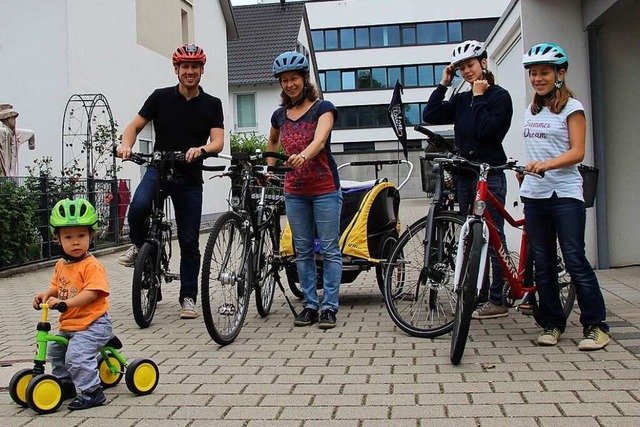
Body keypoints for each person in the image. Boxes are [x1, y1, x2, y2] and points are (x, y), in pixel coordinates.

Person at [116, 43, 224, 319]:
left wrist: (201, 150)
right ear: (176, 69)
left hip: (189, 177)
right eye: (185, 66)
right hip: (159, 169)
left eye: (195, 67)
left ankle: (188, 297)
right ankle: (141, 246)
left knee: (189, 240)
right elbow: (134, 127)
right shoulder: (160, 98)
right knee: (138, 208)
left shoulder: (212, 104)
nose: (190, 71)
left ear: (201, 70)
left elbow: (218, 141)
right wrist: (126, 146)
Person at [520, 43, 609, 350]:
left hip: (565, 194)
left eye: (544, 72)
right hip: (534, 194)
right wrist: (527, 169)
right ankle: (552, 323)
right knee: (542, 262)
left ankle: (596, 326)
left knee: (574, 258)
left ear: (560, 73)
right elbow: (536, 149)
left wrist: (547, 164)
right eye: (533, 73)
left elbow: (577, 151)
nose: (537, 78)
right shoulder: (531, 109)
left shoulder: (573, 107)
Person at [423, 40, 513, 319]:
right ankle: (479, 294)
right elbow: (431, 115)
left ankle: (497, 299)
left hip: (491, 174)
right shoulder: (461, 98)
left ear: (483, 63)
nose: (466, 72)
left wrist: (478, 97)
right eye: (461, 68)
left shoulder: (499, 96)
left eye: (470, 65)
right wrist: (444, 84)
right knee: (472, 237)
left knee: (494, 237)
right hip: (465, 176)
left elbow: (487, 131)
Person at [266, 51, 342, 329]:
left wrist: (303, 155)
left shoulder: (324, 108)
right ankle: (310, 304)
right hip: (294, 191)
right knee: (303, 249)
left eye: (294, 78)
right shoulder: (279, 115)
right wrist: (269, 167)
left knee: (331, 248)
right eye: (284, 80)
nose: (289, 84)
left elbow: (320, 140)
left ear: (304, 79)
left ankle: (329, 306)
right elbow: (272, 142)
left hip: (324, 188)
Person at [32, 198, 112, 410]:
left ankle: (92, 391)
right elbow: (56, 287)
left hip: (94, 324)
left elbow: (93, 293)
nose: (75, 242)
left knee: (76, 355)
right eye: (68, 237)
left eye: (81, 236)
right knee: (56, 351)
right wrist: (45, 294)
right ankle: (66, 384)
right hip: (71, 324)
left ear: (91, 236)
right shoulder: (61, 264)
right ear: (58, 239)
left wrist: (66, 304)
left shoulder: (92, 265)